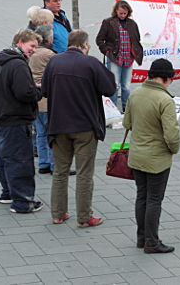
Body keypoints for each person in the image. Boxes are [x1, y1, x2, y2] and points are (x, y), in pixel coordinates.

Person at [42, 29, 116, 227]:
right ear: (84, 45)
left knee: (60, 171)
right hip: (85, 126)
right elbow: (110, 88)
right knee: (84, 173)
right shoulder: (90, 62)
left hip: (58, 125)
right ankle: (84, 218)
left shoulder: (54, 61)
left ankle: (58, 214)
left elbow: (45, 91)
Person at [123, 58, 180, 253]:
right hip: (157, 159)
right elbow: (171, 135)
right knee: (155, 199)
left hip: (137, 155)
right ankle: (152, 242)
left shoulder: (136, 94)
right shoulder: (165, 100)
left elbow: (127, 124)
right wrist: (174, 149)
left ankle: (141, 237)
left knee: (142, 196)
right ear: (165, 78)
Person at [0, 29, 43, 213]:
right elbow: (25, 93)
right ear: (20, 42)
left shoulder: (3, 62)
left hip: (2, 118)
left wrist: (30, 86)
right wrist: (39, 91)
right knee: (20, 161)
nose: (33, 50)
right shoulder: (19, 65)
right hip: (15, 119)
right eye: (32, 46)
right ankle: (23, 202)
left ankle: (8, 193)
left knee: (6, 159)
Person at [96, 0, 144, 112]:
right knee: (114, 85)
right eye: (120, 13)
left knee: (126, 86)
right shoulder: (108, 22)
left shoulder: (132, 24)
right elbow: (99, 39)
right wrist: (107, 52)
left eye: (125, 13)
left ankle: (125, 108)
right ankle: (112, 109)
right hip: (114, 58)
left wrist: (136, 53)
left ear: (128, 12)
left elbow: (137, 39)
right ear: (116, 11)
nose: (122, 15)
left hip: (129, 58)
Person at [29, 25, 56, 175]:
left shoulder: (31, 53)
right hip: (46, 99)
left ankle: (43, 163)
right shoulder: (49, 55)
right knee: (51, 133)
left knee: (40, 133)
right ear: (49, 38)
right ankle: (53, 164)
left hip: (34, 100)